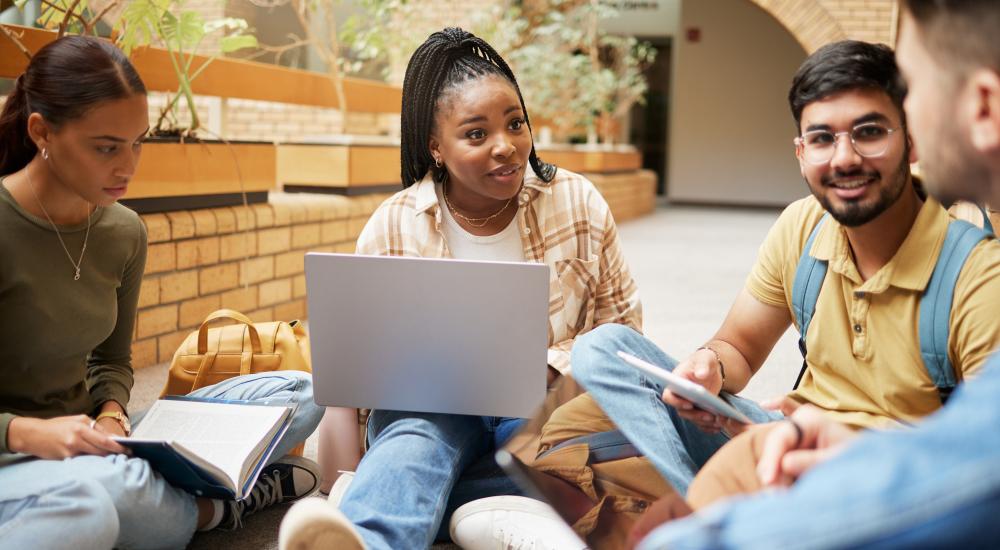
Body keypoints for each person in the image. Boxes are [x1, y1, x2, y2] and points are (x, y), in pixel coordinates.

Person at [505, 38, 1000, 546]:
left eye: (869, 133)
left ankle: (706, 518)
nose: (846, 158)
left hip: (883, 479)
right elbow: (739, 346)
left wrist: (836, 436)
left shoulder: (975, 274)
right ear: (802, 152)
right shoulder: (802, 227)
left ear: (912, 142)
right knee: (600, 353)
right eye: (823, 138)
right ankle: (707, 503)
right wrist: (708, 368)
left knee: (582, 460)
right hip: (773, 435)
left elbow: (977, 459)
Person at [278, 27, 642, 550]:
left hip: (543, 410)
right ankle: (380, 533)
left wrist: (549, 366)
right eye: (476, 134)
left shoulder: (577, 202)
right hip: (427, 419)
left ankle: (410, 498)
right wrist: (340, 476)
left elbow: (623, 328)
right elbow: (352, 391)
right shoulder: (392, 225)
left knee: (566, 445)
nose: (506, 147)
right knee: (419, 434)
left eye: (516, 124)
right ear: (436, 147)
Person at [0, 36, 324, 549]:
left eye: (138, 142)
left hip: (95, 439)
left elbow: (110, 361)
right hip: (16, 455)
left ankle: (165, 496)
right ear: (41, 131)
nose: (128, 166)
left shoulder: (123, 231)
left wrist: (110, 413)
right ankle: (214, 506)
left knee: (301, 394)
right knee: (93, 513)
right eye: (107, 147)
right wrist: (26, 433)